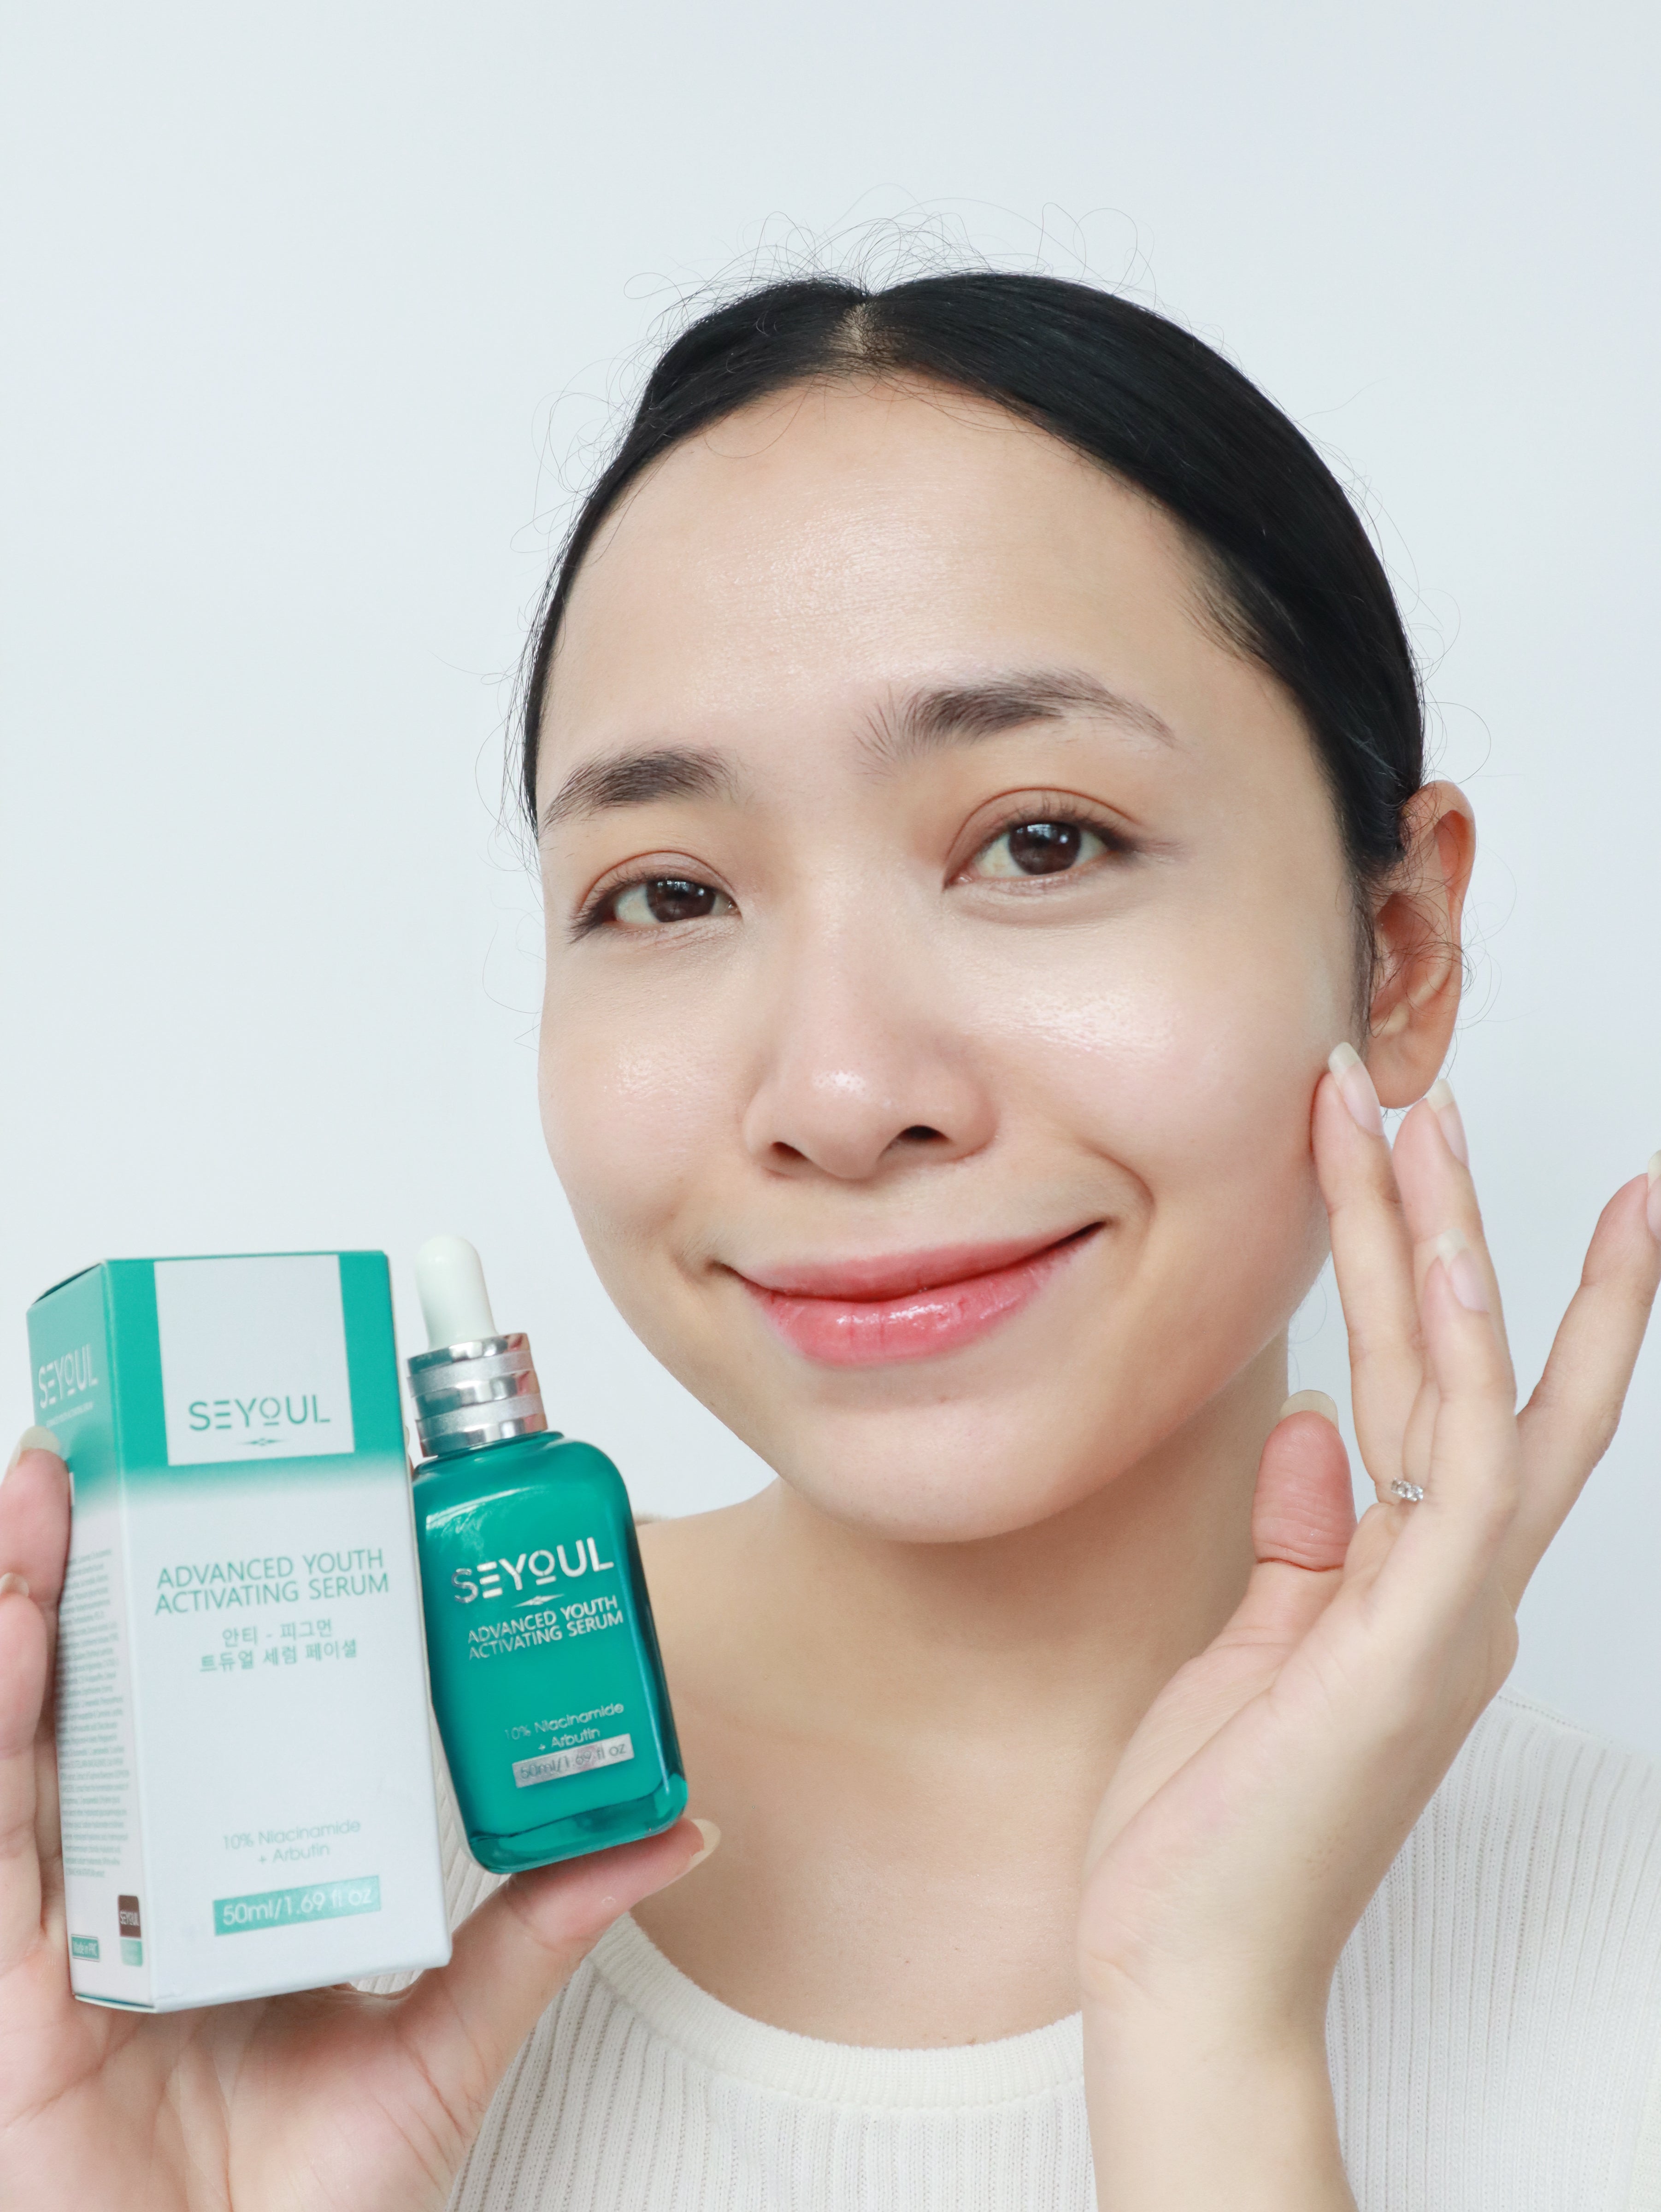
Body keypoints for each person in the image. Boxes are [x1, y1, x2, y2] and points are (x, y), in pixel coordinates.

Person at [5, 269, 1661, 2212]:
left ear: (1398, 951)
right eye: (667, 892)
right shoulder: (206, 1915)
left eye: (1040, 840)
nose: (844, 1091)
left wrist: (1207, 2026)